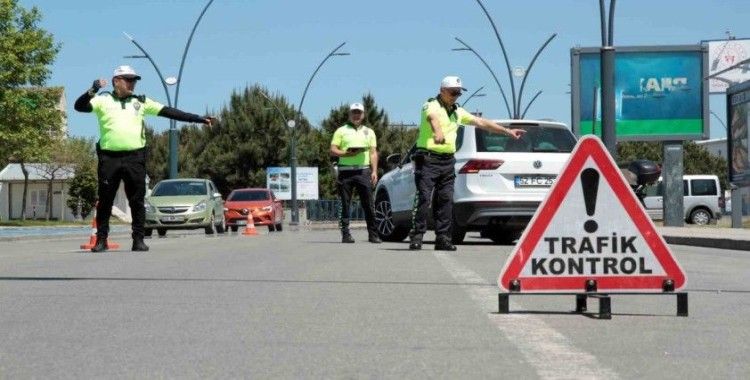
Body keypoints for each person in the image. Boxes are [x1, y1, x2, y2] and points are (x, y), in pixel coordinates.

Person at [74, 65, 215, 252]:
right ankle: (101, 240)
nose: (132, 83)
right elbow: (79, 107)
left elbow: (170, 112)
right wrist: (93, 89)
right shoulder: (103, 100)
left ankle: (138, 239)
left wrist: (198, 119)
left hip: (135, 157)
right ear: (117, 81)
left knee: (137, 200)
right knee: (106, 200)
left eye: (134, 80)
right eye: (128, 79)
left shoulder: (141, 102)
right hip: (109, 158)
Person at [409, 76, 526, 251]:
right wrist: (438, 132)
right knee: (424, 198)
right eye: (453, 92)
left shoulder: (458, 111)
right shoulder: (431, 105)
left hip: (448, 160)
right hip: (428, 159)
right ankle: (417, 236)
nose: (456, 96)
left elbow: (481, 122)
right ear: (442, 91)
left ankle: (442, 238)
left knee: (446, 201)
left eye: (458, 93)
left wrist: (507, 132)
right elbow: (432, 118)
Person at [329, 103, 381, 244]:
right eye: (354, 112)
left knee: (369, 204)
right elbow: (333, 150)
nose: (356, 115)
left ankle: (373, 235)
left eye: (359, 113)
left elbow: (373, 153)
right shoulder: (341, 130)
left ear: (363, 115)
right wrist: (346, 153)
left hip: (363, 171)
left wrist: (374, 171)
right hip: (345, 172)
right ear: (349, 114)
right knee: (345, 204)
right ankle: (345, 234)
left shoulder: (369, 132)